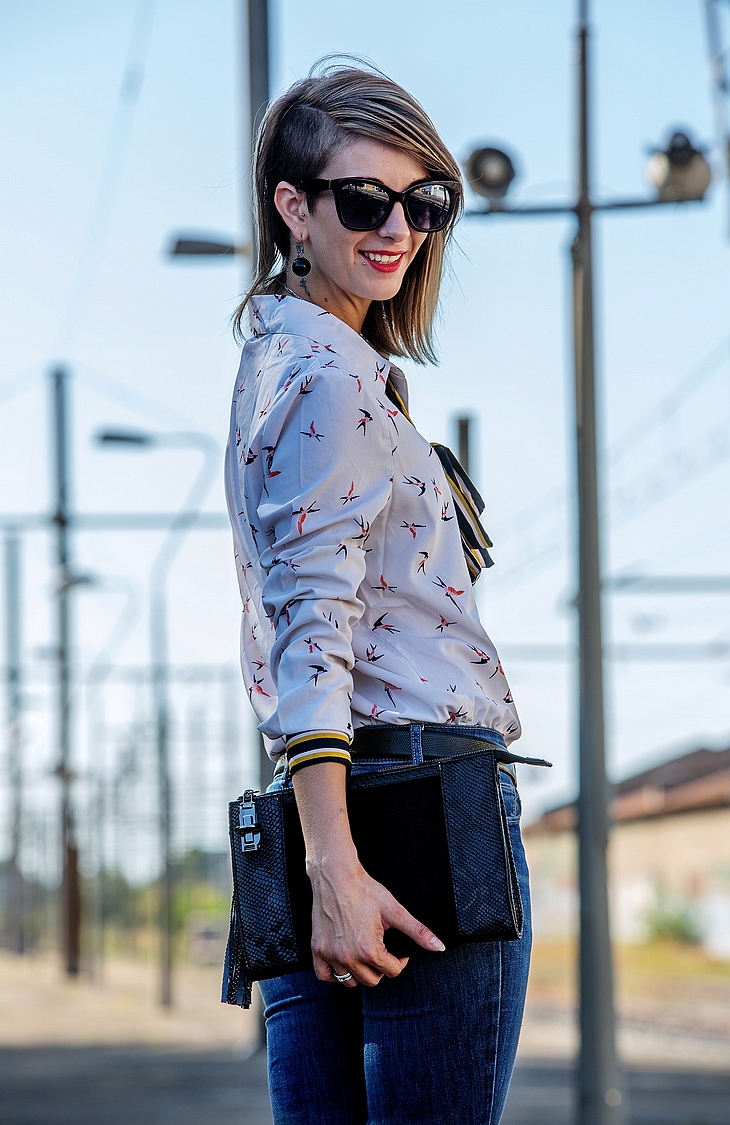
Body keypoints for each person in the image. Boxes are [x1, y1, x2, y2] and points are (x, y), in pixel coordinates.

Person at [225, 61, 531, 1125]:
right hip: (415, 813)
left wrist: (327, 856)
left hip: (338, 813)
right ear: (293, 207)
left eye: (423, 202)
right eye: (363, 200)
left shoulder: (285, 365)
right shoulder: (330, 379)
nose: (398, 228)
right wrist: (337, 869)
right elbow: (313, 631)